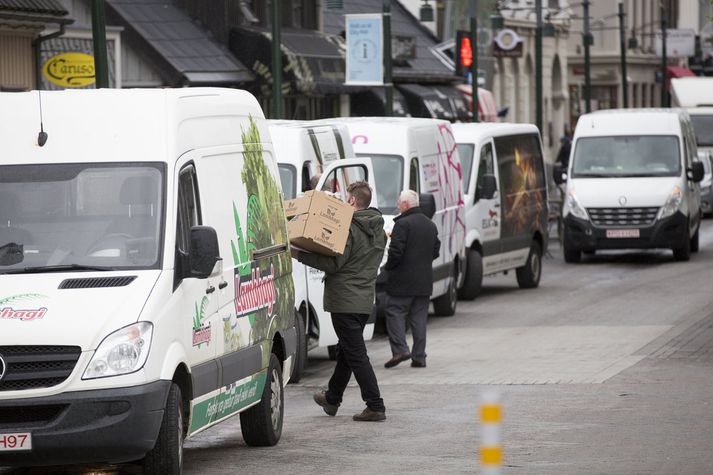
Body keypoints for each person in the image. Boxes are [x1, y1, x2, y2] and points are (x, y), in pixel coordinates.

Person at [292, 181, 387, 422]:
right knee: (347, 351)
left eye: (347, 199)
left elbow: (335, 263)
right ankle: (332, 398)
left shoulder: (350, 228)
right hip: (364, 300)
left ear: (353, 201)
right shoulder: (377, 229)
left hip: (345, 300)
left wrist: (299, 254)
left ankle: (375, 404)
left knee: (356, 355)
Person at [383, 190, 440, 369]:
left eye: (399, 203)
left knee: (394, 311)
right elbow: (436, 250)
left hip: (402, 281)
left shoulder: (402, 224)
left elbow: (396, 252)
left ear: (406, 205)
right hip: (424, 281)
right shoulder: (430, 225)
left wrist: (388, 267)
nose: (398, 206)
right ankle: (419, 357)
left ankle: (400, 349)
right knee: (419, 319)